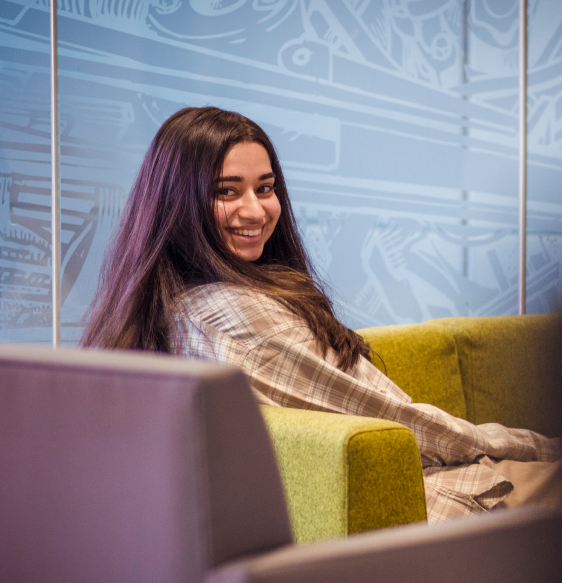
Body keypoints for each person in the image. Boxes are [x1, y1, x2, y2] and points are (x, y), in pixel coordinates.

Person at [82, 106, 562, 522]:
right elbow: (399, 429)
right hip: (417, 500)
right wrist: (528, 444)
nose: (256, 211)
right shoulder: (235, 315)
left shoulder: (165, 307)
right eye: (227, 191)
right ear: (175, 202)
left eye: (265, 188)